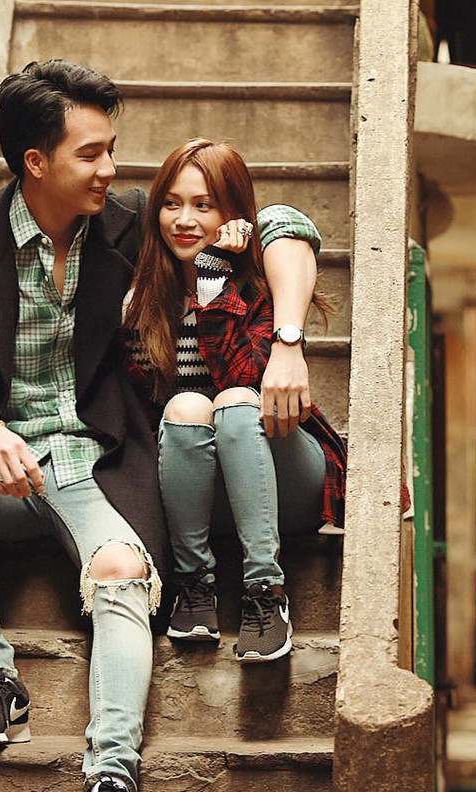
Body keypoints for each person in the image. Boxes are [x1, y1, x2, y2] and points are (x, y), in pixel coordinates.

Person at [0, 61, 321, 792]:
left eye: (111, 149)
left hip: (97, 463)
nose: (110, 168)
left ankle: (111, 781)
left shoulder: (129, 231)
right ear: (35, 162)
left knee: (121, 569)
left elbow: (282, 222)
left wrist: (285, 332)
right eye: (91, 153)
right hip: (2, 466)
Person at [122, 139, 346, 663]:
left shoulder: (261, 288)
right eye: (171, 204)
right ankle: (194, 586)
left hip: (281, 475)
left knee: (236, 401)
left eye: (203, 205)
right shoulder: (142, 304)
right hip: (197, 491)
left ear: (233, 216)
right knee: (184, 409)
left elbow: (241, 379)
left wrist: (213, 278)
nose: (184, 220)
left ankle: (266, 589)